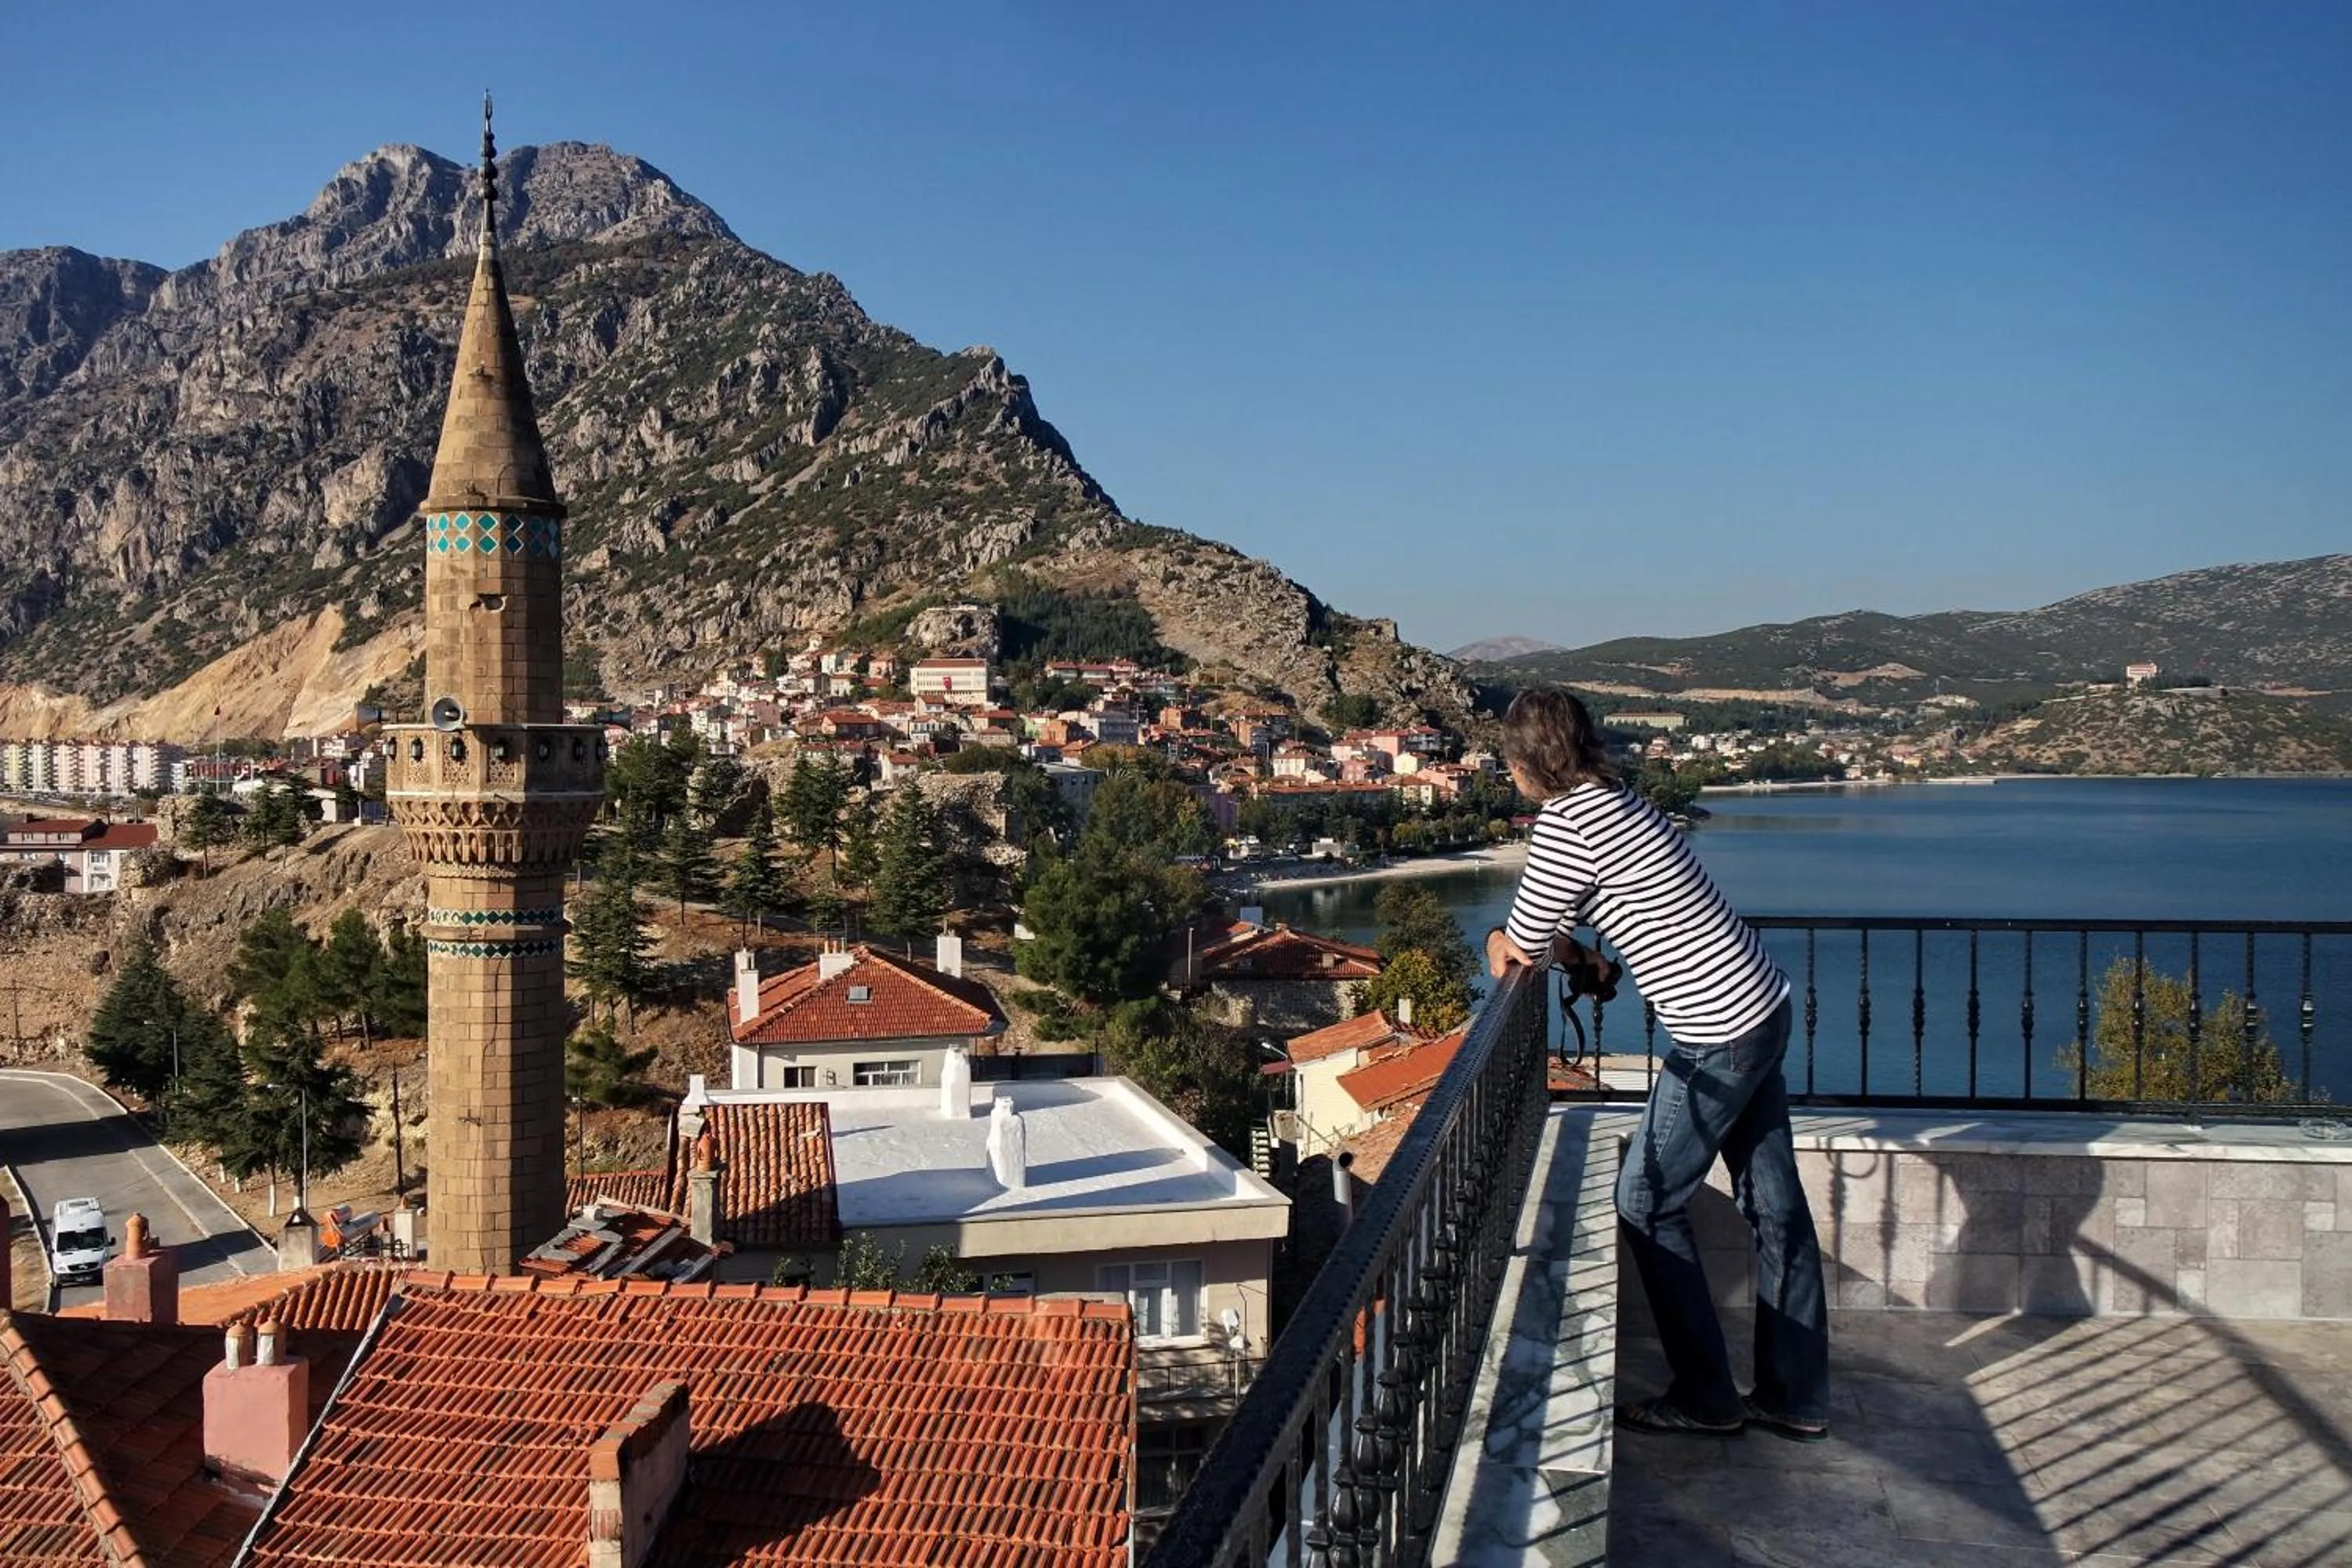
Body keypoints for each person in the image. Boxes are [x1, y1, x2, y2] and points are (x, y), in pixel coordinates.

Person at [1485, 688, 1829, 1440]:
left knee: (1643, 1197)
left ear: (1528, 759)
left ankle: (1707, 1397)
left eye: (1510, 758)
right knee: (1775, 1207)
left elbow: (1524, 941)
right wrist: (1583, 953)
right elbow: (1576, 921)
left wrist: (1499, 946)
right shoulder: (1616, 798)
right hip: (1763, 1003)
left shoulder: (1564, 822)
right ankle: (1796, 1396)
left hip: (1717, 1033)